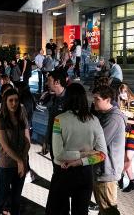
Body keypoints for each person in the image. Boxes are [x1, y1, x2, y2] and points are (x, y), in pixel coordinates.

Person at [46, 83, 107, 215]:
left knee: (58, 211)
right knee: (80, 212)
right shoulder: (94, 120)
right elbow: (102, 154)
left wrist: (76, 157)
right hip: (85, 174)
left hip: (63, 171)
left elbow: (58, 155)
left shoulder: (59, 120)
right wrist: (84, 156)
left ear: (67, 98)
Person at [0, 89, 30, 215]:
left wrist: (23, 159)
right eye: (11, 100)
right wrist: (20, 161)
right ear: (5, 102)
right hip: (6, 165)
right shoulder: (0, 120)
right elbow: (6, 146)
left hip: (21, 162)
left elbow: (27, 141)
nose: (14, 103)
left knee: (16, 198)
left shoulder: (21, 117)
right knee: (1, 199)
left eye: (16, 100)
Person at [92, 85, 126, 215]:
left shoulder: (113, 118)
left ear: (108, 99)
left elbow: (98, 143)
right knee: (104, 209)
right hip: (102, 170)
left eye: (97, 99)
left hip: (107, 171)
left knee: (108, 210)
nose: (94, 101)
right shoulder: (105, 115)